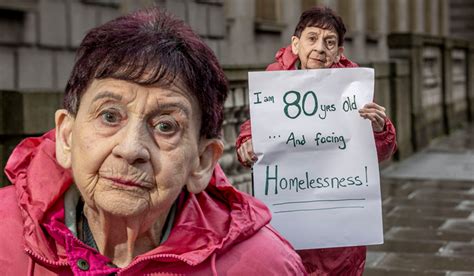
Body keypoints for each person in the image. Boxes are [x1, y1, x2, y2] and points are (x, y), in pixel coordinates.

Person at [0, 7, 307, 275]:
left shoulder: (267, 266)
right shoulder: (5, 236)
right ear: (66, 137)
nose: (131, 149)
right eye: (109, 116)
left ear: (202, 162)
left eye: (165, 126)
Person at [235, 6, 397, 276]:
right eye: (312, 38)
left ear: (339, 52)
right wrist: (247, 146)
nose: (320, 48)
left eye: (329, 42)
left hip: (339, 227)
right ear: (296, 44)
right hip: (291, 223)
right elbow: (251, 135)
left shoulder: (353, 89)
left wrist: (381, 128)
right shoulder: (274, 84)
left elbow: (380, 152)